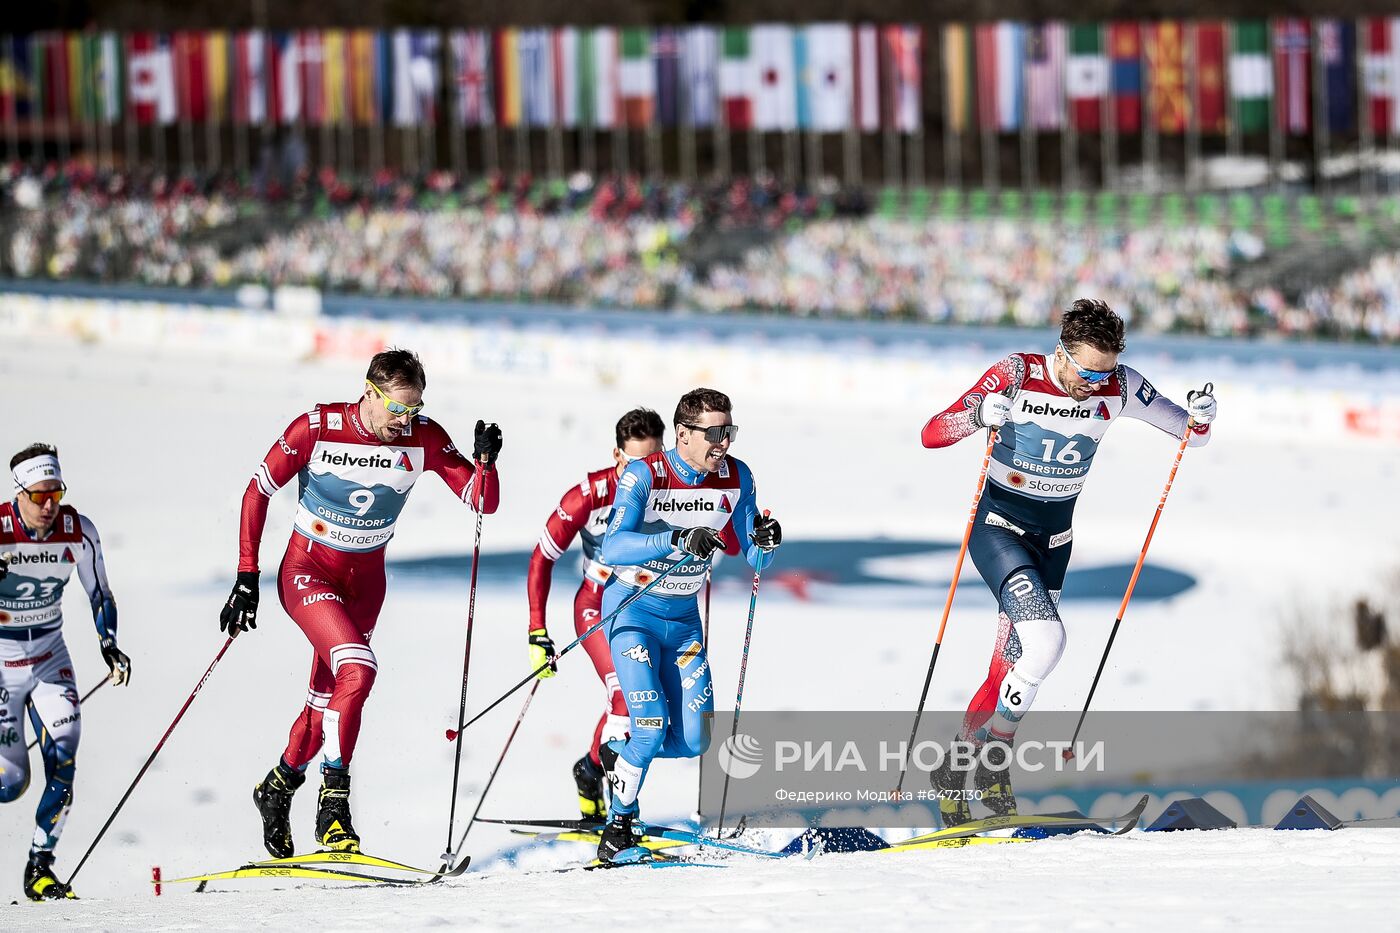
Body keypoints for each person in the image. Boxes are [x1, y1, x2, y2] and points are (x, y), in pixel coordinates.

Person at [919, 298, 1216, 826]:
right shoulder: (1016, 374)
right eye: (1085, 372)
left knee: (1012, 664)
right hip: (999, 531)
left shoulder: (1121, 385)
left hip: (1055, 540)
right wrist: (976, 416)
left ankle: (960, 766)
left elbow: (1187, 431)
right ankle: (992, 760)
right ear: (1061, 352)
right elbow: (932, 433)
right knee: (1048, 642)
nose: (1095, 383)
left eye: (1104, 373)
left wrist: (1201, 417)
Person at [220, 348, 501, 857]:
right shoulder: (317, 427)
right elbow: (256, 492)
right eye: (397, 409)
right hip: (307, 570)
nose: (405, 421)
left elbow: (482, 500)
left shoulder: (425, 437)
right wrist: (246, 574)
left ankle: (278, 786)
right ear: (369, 393)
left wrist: (485, 462)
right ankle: (334, 804)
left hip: (366, 583)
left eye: (414, 410)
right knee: (359, 669)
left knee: (326, 703)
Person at [593, 388, 781, 861]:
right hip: (633, 611)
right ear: (682, 433)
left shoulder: (738, 476)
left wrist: (766, 541)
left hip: (683, 621)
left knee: (696, 739)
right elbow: (613, 548)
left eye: (729, 431)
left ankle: (622, 757)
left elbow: (754, 556)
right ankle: (618, 826)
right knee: (652, 726)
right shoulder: (645, 473)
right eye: (715, 433)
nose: (723, 443)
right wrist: (676, 539)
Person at [0, 443, 131, 901]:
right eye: (39, 496)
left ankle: (39, 869)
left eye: (56, 492)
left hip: (51, 659)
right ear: (19, 494)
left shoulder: (78, 530)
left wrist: (109, 645)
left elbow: (100, 593)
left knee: (64, 764)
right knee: (8, 785)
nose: (49, 505)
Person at [526, 408, 666, 819]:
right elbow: (541, 558)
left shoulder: (672, 488)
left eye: (652, 461)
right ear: (616, 455)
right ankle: (624, 818)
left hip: (648, 609)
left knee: (653, 709)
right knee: (626, 697)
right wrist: (537, 629)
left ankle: (590, 770)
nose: (642, 471)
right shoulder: (589, 494)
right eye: (633, 462)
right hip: (597, 608)